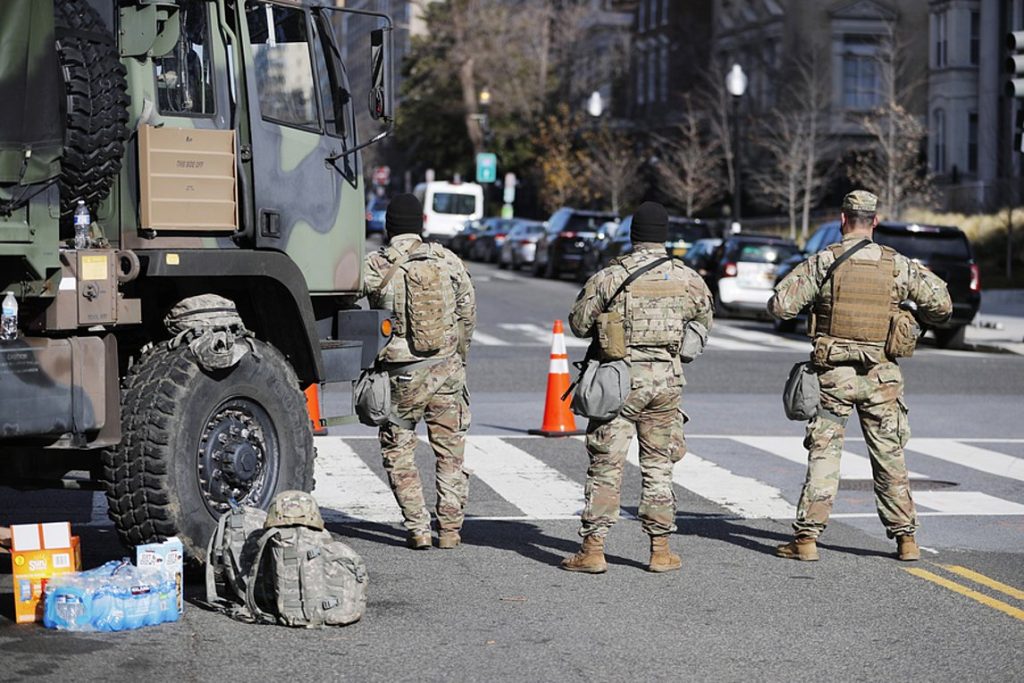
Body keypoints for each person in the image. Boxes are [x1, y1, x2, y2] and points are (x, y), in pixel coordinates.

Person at [768, 190, 952, 562]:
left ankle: (807, 539)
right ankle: (906, 540)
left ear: (842, 219)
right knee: (890, 455)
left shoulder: (824, 261)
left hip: (834, 375)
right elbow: (943, 305)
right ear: (875, 221)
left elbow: (781, 305)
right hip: (882, 376)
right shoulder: (897, 264)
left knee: (825, 454)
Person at [562, 201, 713, 573]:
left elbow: (579, 324)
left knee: (606, 464)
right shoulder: (688, 277)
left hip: (619, 380)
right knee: (659, 465)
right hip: (666, 382)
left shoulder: (612, 276)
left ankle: (594, 550)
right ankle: (660, 549)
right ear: (665, 236)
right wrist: (681, 350)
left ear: (633, 235)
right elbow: (704, 321)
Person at [361, 193, 476, 550]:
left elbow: (348, 304)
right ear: (421, 225)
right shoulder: (447, 260)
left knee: (398, 450)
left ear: (388, 226)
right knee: (450, 451)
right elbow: (467, 313)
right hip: (446, 371)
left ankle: (418, 528)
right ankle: (452, 529)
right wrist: (459, 356)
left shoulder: (376, 264)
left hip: (401, 375)